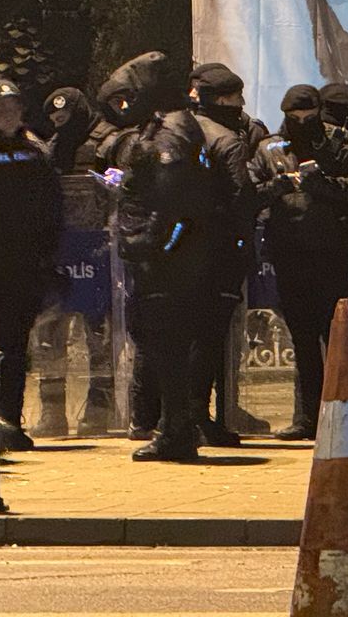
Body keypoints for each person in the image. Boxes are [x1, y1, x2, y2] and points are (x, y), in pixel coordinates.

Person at [107, 51, 250, 462]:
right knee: (170, 345)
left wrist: (151, 245)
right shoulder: (176, 125)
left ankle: (175, 432)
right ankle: (176, 428)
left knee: (166, 347)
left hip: (168, 263)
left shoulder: (169, 131)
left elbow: (169, 198)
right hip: (178, 256)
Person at [256, 83, 348, 440]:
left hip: (332, 254)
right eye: (295, 119)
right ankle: (308, 417)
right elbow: (249, 191)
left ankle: (347, 417)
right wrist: (280, 186)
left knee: (338, 338)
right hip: (290, 254)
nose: (302, 124)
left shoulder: (338, 141)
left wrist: (319, 183)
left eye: (309, 118)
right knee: (303, 340)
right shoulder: (270, 148)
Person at [0, 78, 63, 451]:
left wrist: (48, 253)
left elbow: (52, 206)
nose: (9, 115)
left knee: (13, 341)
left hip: (23, 260)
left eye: (15, 109)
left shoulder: (34, 149)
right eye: (0, 109)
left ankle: (9, 417)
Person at [188, 62, 266, 445]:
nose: (241, 103)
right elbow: (243, 197)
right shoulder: (227, 140)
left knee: (184, 337)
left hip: (176, 249)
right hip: (218, 250)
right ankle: (200, 417)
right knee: (209, 338)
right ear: (222, 99)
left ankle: (183, 418)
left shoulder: (172, 131)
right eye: (235, 97)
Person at [90, 67, 166, 438]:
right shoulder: (113, 141)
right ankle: (143, 417)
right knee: (143, 332)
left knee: (156, 333)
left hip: (154, 241)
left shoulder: (162, 133)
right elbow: (101, 180)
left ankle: (157, 416)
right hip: (129, 244)